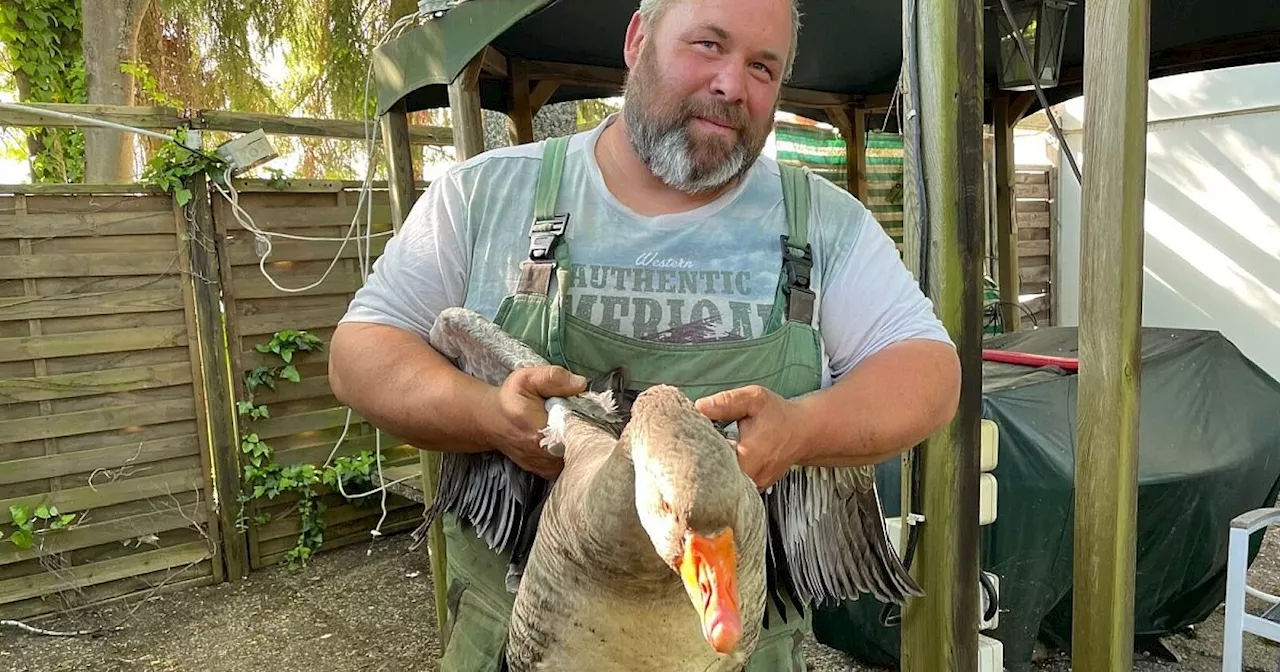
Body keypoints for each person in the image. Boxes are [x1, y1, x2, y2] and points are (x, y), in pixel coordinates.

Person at [329, 0, 961, 668]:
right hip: (527, 645)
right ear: (637, 40)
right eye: (708, 45)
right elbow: (360, 354)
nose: (731, 83)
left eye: (762, 66)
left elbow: (928, 374)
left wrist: (803, 429)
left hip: (735, 651)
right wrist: (488, 415)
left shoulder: (827, 224)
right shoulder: (485, 194)